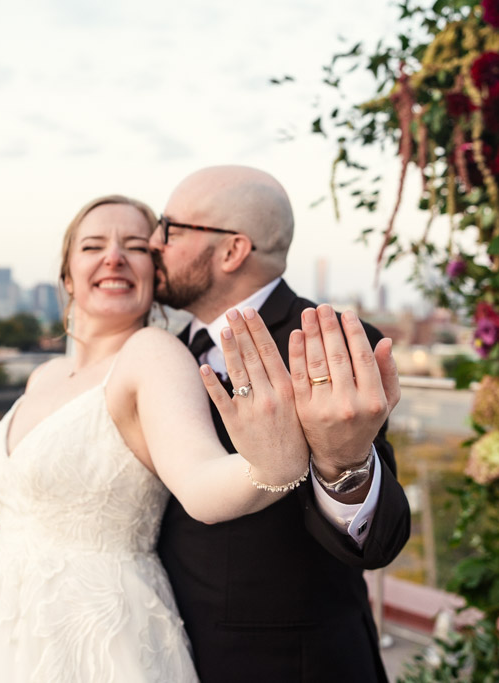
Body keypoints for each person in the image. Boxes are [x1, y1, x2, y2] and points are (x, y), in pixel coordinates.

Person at [0, 195, 318, 682]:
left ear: (155, 275)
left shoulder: (152, 355)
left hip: (99, 638)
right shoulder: (45, 375)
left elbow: (200, 479)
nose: (114, 257)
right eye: (93, 245)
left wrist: (270, 468)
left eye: (135, 247)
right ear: (66, 276)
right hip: (2, 630)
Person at [150, 165, 410, 682]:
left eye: (170, 228)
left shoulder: (330, 345)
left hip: (292, 663)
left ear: (231, 251)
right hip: (163, 648)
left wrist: (345, 462)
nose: (153, 242)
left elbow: (378, 542)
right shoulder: (163, 353)